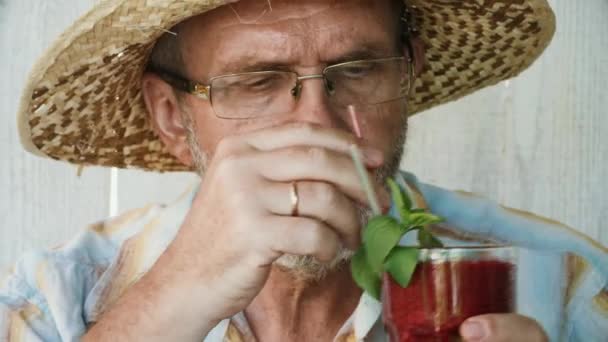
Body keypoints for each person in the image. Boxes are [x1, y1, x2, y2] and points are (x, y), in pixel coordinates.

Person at [1, 0, 606, 341]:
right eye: (257, 81)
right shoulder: (52, 301)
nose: (318, 123)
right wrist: (167, 301)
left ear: (407, 75)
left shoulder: (569, 284)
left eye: (360, 68)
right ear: (170, 116)